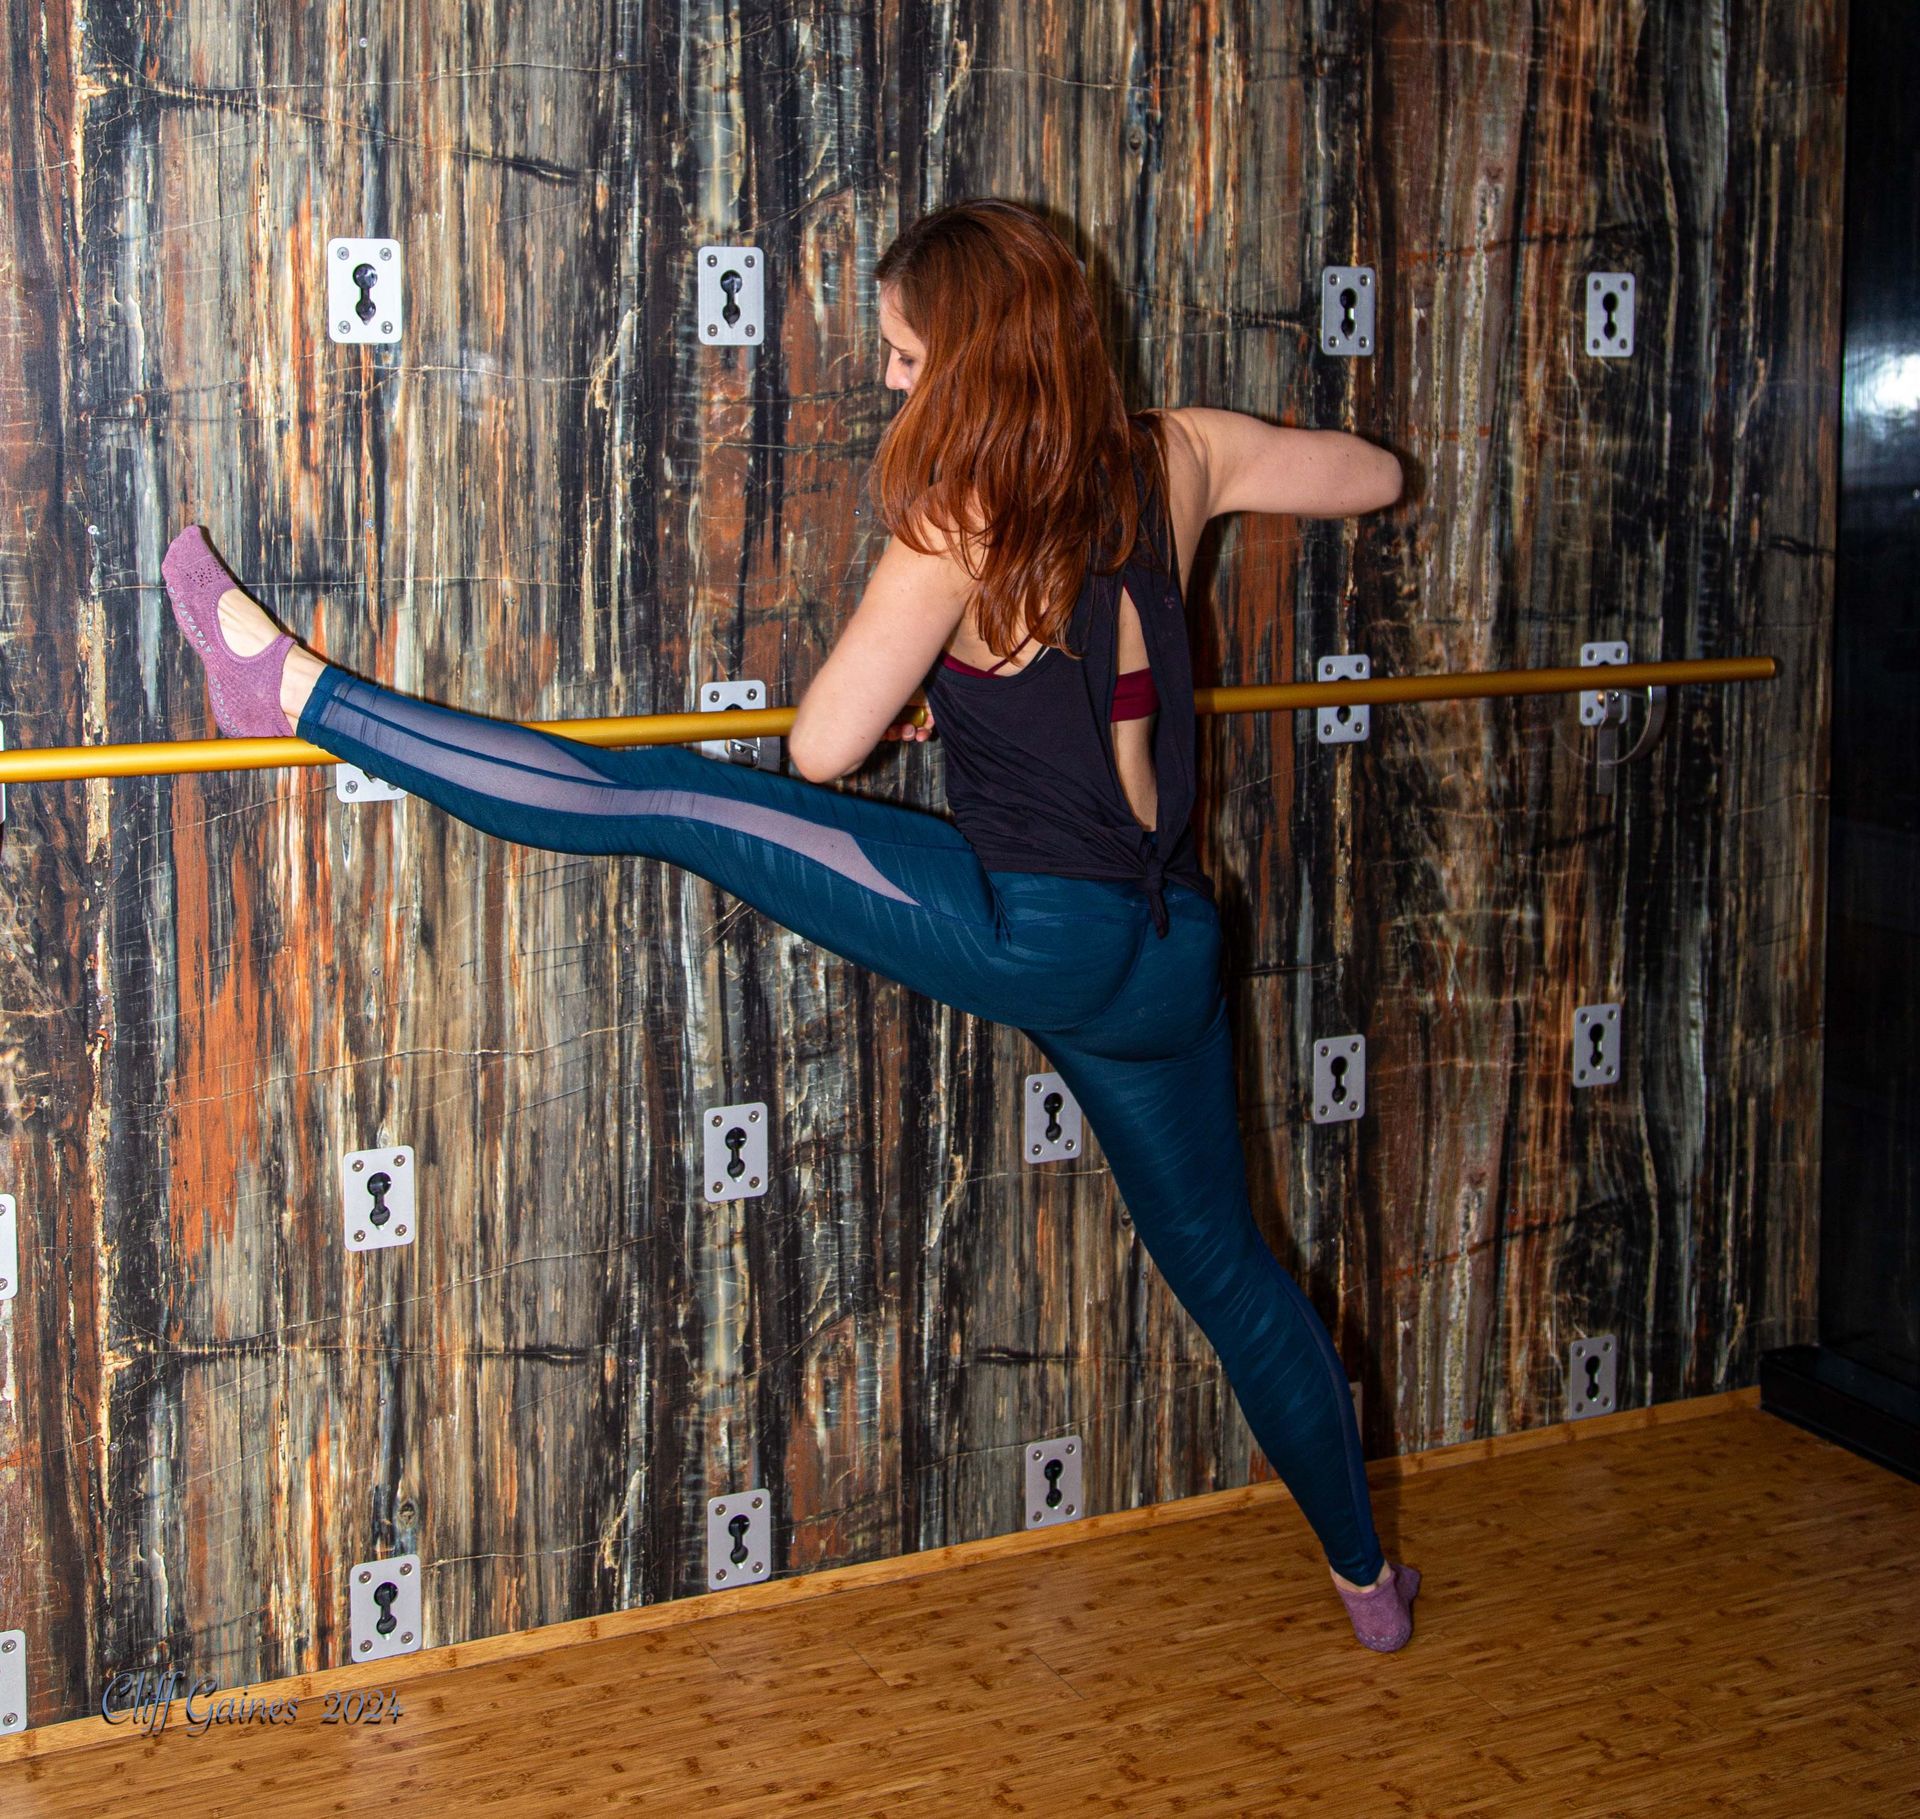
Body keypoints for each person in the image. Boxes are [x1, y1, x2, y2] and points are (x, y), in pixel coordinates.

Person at [161, 198, 1417, 1650]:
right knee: (1236, 1282)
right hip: (1173, 955)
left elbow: (823, 748)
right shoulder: (1179, 452)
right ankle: (1367, 1588)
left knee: (674, 802)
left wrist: (936, 658)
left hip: (1039, 936)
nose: (889, 378)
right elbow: (1375, 476)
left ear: (978, 360)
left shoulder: (958, 525)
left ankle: (292, 692)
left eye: (906, 355)